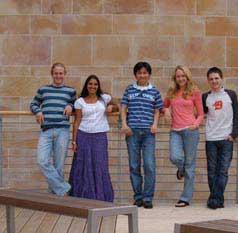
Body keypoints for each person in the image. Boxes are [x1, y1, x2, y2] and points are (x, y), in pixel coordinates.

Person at [121, 61, 163, 209]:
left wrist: (155, 124)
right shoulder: (129, 90)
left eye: (145, 72)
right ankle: (138, 197)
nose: (142, 75)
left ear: (149, 74)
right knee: (134, 165)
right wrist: (124, 124)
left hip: (148, 133)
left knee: (149, 165)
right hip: (132, 131)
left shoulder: (155, 91)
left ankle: (148, 198)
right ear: (136, 75)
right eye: (139, 72)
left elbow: (157, 109)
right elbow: (123, 107)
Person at [30, 62, 76, 196]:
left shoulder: (70, 91)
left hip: (63, 131)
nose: (58, 76)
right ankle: (64, 188)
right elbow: (33, 103)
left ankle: (55, 199)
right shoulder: (43, 90)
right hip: (46, 131)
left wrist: (70, 106)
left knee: (59, 166)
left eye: (61, 73)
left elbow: (76, 103)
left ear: (64, 74)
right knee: (42, 161)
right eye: (56, 73)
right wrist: (38, 111)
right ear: (52, 74)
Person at [69, 75, 116, 202]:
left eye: (95, 84)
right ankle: (82, 197)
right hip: (83, 135)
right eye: (90, 84)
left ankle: (101, 196)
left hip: (100, 136)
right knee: (83, 165)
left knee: (99, 164)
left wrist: (112, 107)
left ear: (98, 86)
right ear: (86, 85)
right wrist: (74, 141)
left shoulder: (104, 98)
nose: (93, 86)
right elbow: (77, 121)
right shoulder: (80, 102)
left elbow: (116, 104)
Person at [163, 65, 204, 207]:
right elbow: (164, 106)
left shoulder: (194, 92)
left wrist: (196, 124)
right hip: (175, 130)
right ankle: (180, 170)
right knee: (175, 157)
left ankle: (185, 198)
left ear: (187, 77)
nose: (180, 78)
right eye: (178, 76)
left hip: (190, 130)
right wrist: (166, 110)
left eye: (183, 76)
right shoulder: (171, 92)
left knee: (190, 164)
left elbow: (201, 113)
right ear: (175, 78)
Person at [202, 67, 238, 209]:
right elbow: (201, 113)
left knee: (223, 170)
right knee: (212, 170)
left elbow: (236, 115)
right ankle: (217, 199)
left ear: (221, 78)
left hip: (226, 139)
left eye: (216, 78)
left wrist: (234, 134)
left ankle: (214, 199)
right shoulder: (205, 97)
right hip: (211, 138)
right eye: (211, 79)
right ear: (208, 81)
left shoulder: (230, 95)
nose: (214, 81)